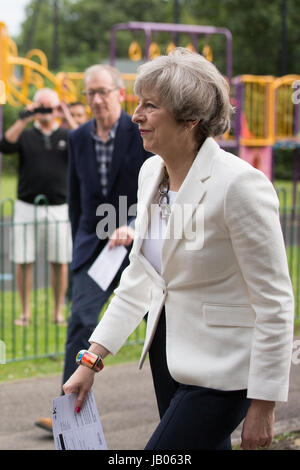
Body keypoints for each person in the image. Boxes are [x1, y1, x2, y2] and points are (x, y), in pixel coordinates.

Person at [62, 49, 295, 451]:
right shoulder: (151, 172)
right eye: (137, 103)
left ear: (190, 119)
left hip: (225, 373)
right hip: (168, 361)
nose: (135, 115)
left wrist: (264, 402)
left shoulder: (241, 186)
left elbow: (275, 301)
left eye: (150, 106)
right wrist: (91, 358)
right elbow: (139, 278)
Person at [35, 64, 151, 432]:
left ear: (120, 93)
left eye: (103, 91)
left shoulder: (141, 133)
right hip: (92, 247)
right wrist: (78, 249)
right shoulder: (80, 136)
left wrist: (132, 227)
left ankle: (184, 408)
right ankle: (70, 417)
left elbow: (158, 190)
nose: (97, 99)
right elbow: (76, 199)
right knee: (81, 322)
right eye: (90, 93)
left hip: (138, 244)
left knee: (160, 329)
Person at [0, 88, 73, 326]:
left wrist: (64, 113)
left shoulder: (65, 133)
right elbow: (5, 145)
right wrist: (24, 119)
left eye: (48, 107)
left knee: (60, 260)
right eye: (40, 106)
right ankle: (25, 312)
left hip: (58, 206)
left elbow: (84, 139)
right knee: (23, 259)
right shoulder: (26, 134)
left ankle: (57, 312)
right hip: (26, 204)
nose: (45, 112)